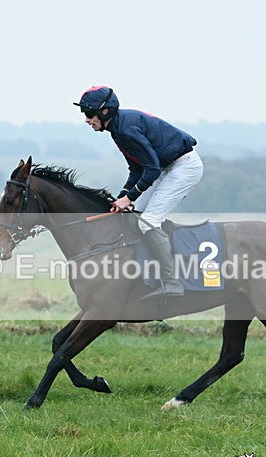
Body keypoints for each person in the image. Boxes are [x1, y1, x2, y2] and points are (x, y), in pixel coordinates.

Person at [74, 85, 204, 300]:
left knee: (148, 221)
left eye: (89, 114)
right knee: (134, 218)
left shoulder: (125, 130)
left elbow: (151, 169)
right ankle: (144, 274)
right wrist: (123, 196)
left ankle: (172, 282)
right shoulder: (117, 128)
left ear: (105, 111)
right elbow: (137, 169)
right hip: (167, 167)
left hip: (184, 167)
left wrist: (130, 197)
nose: (87, 120)